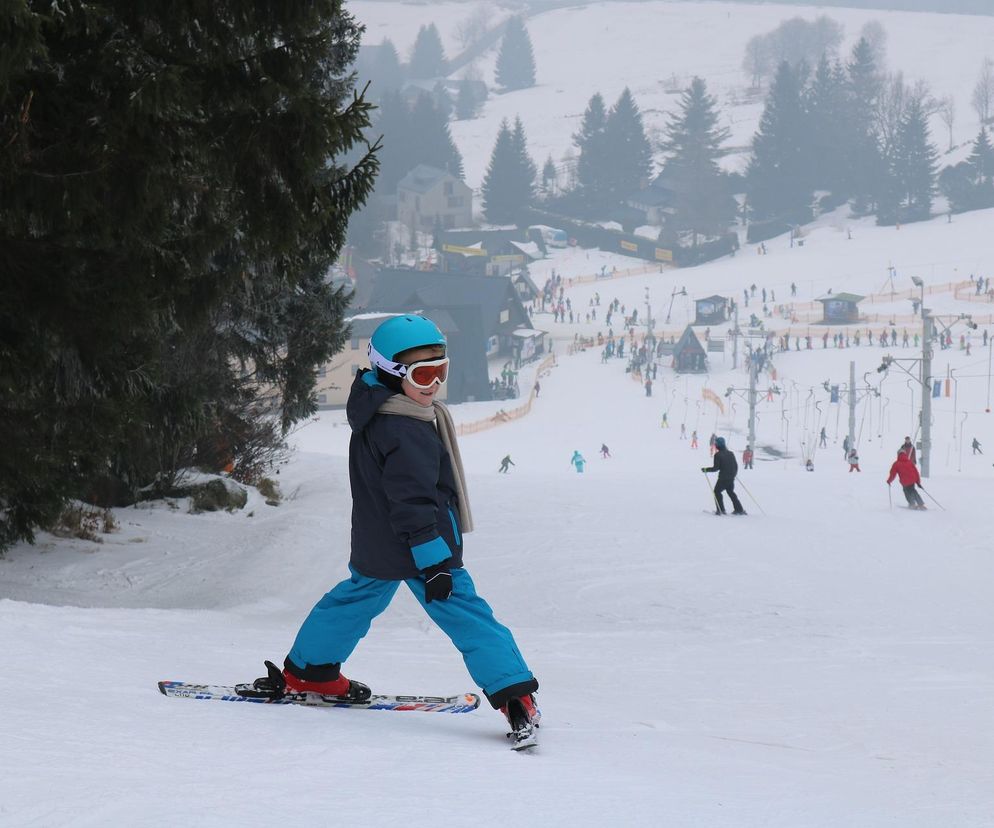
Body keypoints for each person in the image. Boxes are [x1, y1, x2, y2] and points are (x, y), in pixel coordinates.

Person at [272, 315, 539, 737]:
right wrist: (433, 561)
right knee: (467, 615)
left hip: (379, 540)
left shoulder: (376, 407)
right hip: (421, 544)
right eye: (423, 373)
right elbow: (413, 500)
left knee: (354, 601)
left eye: (441, 370)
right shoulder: (404, 426)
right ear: (392, 372)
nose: (434, 383)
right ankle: (513, 693)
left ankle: (311, 671)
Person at [701, 437, 746, 515]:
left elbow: (716, 468)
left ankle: (721, 510)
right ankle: (739, 509)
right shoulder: (731, 453)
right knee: (730, 492)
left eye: (716, 444)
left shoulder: (718, 455)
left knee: (717, 492)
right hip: (731, 477)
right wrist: (733, 474)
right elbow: (735, 466)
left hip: (723, 478)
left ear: (718, 445)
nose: (715, 445)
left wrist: (706, 469)